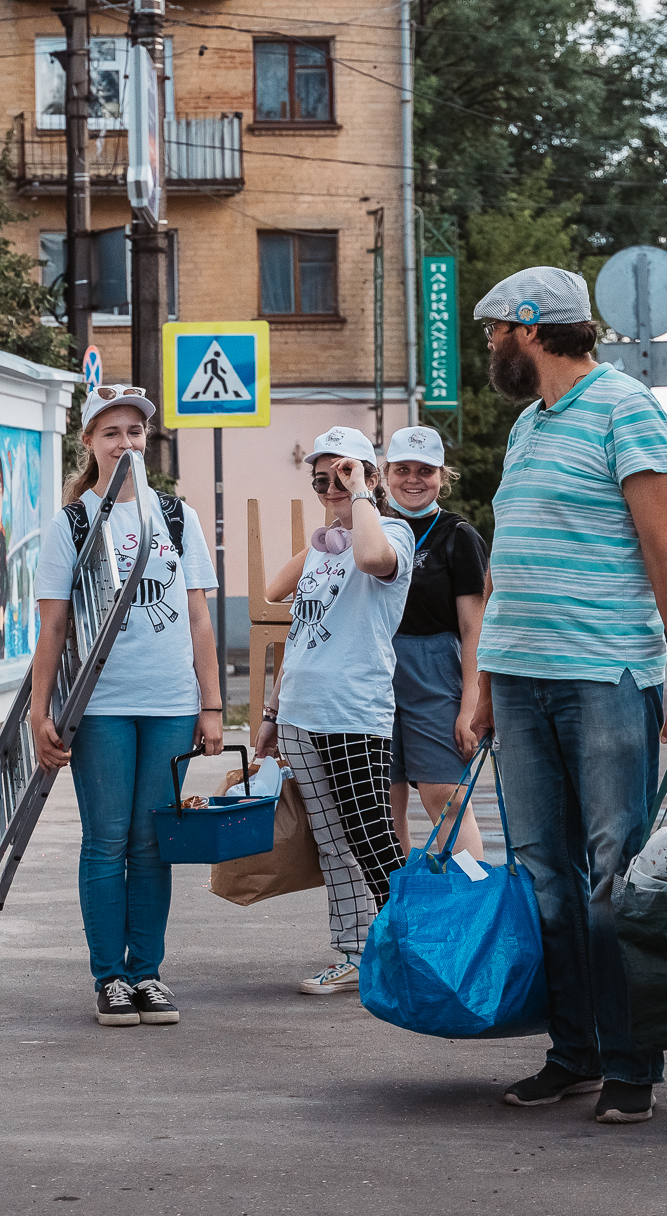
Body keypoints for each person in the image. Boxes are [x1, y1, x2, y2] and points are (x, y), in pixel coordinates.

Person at [458, 266, 667, 1127]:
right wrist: (487, 682)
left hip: (606, 675)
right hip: (522, 682)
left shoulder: (626, 407)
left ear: (529, 327)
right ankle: (574, 1051)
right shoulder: (529, 426)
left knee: (615, 877)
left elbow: (665, 550)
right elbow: (512, 568)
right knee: (544, 878)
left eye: (494, 329)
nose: (488, 345)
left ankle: (633, 1060)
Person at [29, 386, 225, 1027]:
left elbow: (199, 617)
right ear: (88, 443)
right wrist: (41, 712)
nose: (125, 444)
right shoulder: (73, 523)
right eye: (111, 433)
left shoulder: (176, 517)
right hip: (101, 706)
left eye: (135, 432)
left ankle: (149, 974)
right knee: (107, 842)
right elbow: (53, 628)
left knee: (152, 844)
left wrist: (212, 705)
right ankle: (109, 977)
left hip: (169, 703)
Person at [252, 427, 415, 996]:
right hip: (300, 708)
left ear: (370, 476)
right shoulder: (328, 546)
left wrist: (360, 495)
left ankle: (409, 944)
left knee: (370, 832)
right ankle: (355, 951)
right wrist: (272, 711)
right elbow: (281, 599)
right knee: (331, 840)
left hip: (351, 709)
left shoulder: (392, 533)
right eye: (321, 479)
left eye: (342, 475)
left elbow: (373, 558)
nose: (331, 487)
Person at [381, 425, 488, 861]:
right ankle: (395, 912)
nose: (413, 479)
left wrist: (470, 705)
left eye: (425, 470)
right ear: (384, 473)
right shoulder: (370, 528)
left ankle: (472, 905)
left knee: (447, 796)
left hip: (435, 671)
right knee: (383, 807)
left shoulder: (458, 536)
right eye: (402, 468)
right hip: (373, 669)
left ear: (443, 476)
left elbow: (473, 629)